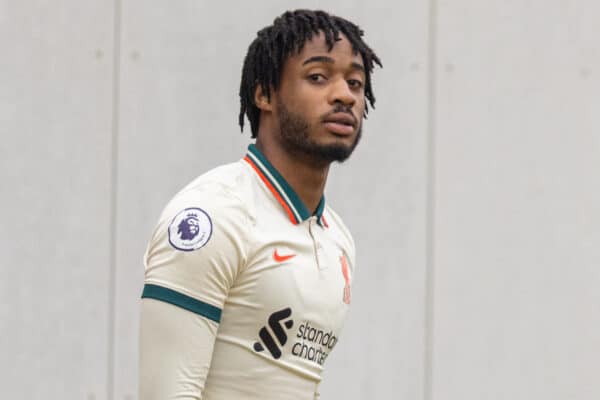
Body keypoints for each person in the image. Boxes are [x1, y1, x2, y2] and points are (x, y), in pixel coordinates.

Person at [139, 9, 382, 400]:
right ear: (264, 93)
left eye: (355, 81)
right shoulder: (213, 217)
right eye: (317, 77)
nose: (344, 95)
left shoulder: (337, 239)